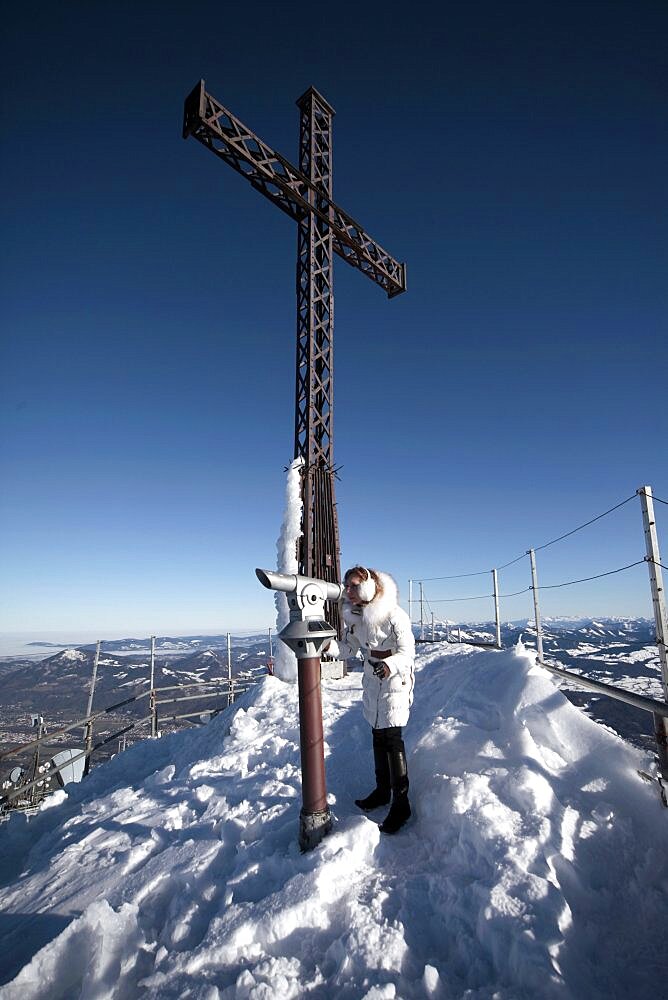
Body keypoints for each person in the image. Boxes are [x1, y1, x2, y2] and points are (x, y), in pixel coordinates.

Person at [332, 566, 415, 834]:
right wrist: (329, 647)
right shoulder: (355, 618)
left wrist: (389, 665)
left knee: (392, 738)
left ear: (369, 586)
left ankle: (401, 803)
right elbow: (350, 648)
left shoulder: (394, 616)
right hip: (372, 679)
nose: (348, 591)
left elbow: (407, 653)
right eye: (346, 586)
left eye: (354, 586)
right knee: (377, 735)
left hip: (394, 680)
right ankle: (382, 791)